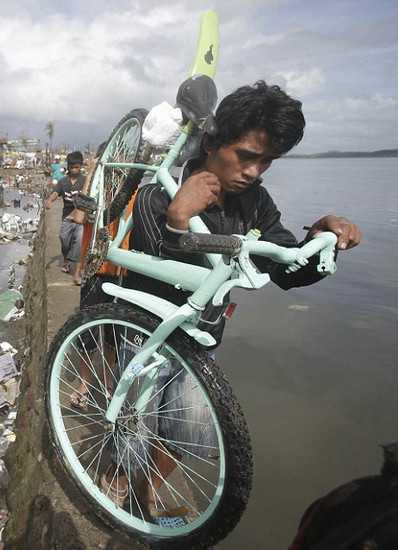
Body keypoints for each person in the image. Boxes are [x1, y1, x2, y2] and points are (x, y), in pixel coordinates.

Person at [100, 81, 362, 520]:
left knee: (192, 431)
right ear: (211, 143)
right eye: (245, 155)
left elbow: (283, 268)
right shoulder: (158, 192)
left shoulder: (255, 202)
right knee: (132, 426)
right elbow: (155, 257)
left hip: (202, 336)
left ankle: (147, 488)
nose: (254, 171)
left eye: (267, 161)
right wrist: (178, 217)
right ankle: (118, 478)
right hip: (143, 332)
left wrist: (320, 242)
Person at [45, 151, 86, 285]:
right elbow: (56, 192)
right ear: (68, 166)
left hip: (81, 220)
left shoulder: (85, 182)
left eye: (77, 167)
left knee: (79, 244)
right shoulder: (64, 182)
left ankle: (77, 274)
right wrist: (50, 201)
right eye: (72, 167)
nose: (74, 170)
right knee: (64, 242)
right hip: (67, 219)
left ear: (81, 166)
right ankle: (66, 261)